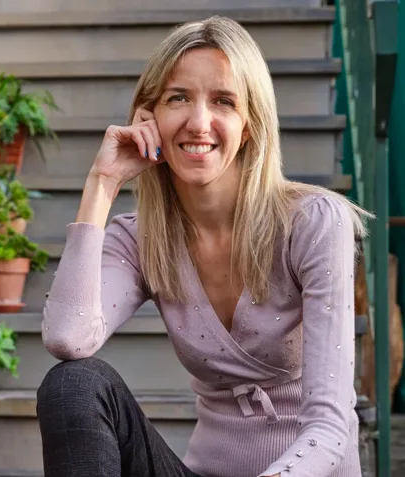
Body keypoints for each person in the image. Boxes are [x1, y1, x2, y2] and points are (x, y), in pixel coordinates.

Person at [36, 15, 371, 477]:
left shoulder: (312, 223)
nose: (198, 123)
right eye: (178, 98)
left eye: (223, 101)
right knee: (72, 385)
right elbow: (68, 339)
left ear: (249, 123)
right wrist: (102, 183)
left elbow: (331, 427)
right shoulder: (141, 239)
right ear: (149, 117)